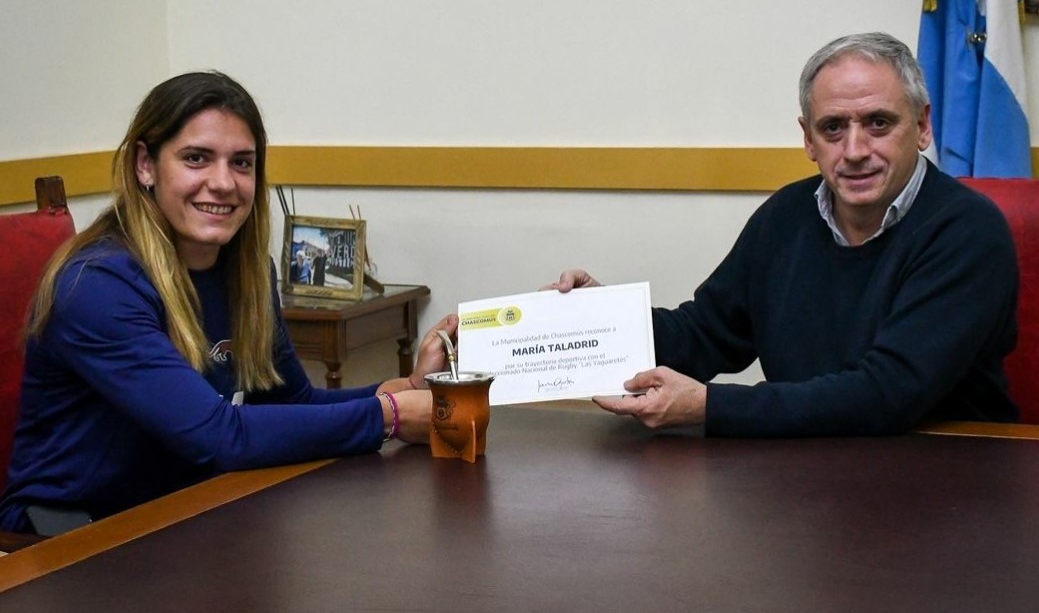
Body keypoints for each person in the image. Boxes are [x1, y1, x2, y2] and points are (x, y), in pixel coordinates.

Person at [0, 71, 456, 533]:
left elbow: (291, 401)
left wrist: (407, 387)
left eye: (241, 163)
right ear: (145, 164)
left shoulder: (249, 273)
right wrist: (390, 417)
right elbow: (218, 436)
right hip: (68, 536)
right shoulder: (96, 286)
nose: (223, 183)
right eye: (196, 158)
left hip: (185, 509)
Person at [549, 32, 1019, 437]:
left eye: (878, 123)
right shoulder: (787, 215)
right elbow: (704, 333)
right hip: (805, 470)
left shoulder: (967, 230)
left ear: (921, 126)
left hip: (947, 474)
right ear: (808, 139)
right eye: (832, 128)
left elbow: (889, 393)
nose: (855, 149)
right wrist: (605, 322)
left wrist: (709, 406)